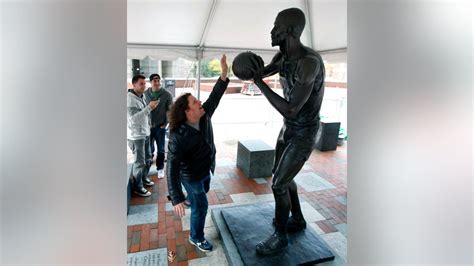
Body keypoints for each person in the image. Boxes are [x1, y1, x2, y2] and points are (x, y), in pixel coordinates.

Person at [250, 8, 326, 255]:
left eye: (277, 27)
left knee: (279, 184)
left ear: (291, 30)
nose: (272, 31)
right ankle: (298, 219)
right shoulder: (283, 55)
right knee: (281, 176)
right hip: (288, 129)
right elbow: (262, 72)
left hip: (304, 132)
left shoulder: (308, 63)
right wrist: (250, 67)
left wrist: (259, 83)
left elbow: (292, 109)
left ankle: (280, 237)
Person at [167, 54, 229, 253]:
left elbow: (215, 96)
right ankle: (196, 237)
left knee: (202, 190)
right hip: (191, 176)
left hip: (205, 169)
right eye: (195, 102)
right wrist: (176, 197)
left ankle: (191, 199)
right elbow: (171, 167)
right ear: (186, 111)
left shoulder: (203, 115)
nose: (200, 102)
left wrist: (224, 75)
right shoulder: (178, 135)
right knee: (201, 206)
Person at [127, 74, 160, 197]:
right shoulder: (130, 99)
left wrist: (149, 110)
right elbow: (133, 120)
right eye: (141, 84)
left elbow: (144, 114)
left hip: (145, 133)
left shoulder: (141, 96)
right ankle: (138, 187)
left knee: (147, 159)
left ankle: (143, 178)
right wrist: (149, 108)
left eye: (144, 83)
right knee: (139, 162)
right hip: (136, 137)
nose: (144, 86)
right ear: (134, 84)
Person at [144, 73, 173, 179]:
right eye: (154, 81)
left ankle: (160, 168)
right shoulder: (145, 94)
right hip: (147, 127)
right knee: (148, 149)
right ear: (150, 82)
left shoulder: (166, 94)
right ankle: (147, 167)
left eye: (158, 80)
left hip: (160, 127)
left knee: (160, 150)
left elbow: (170, 110)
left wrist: (166, 123)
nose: (156, 83)